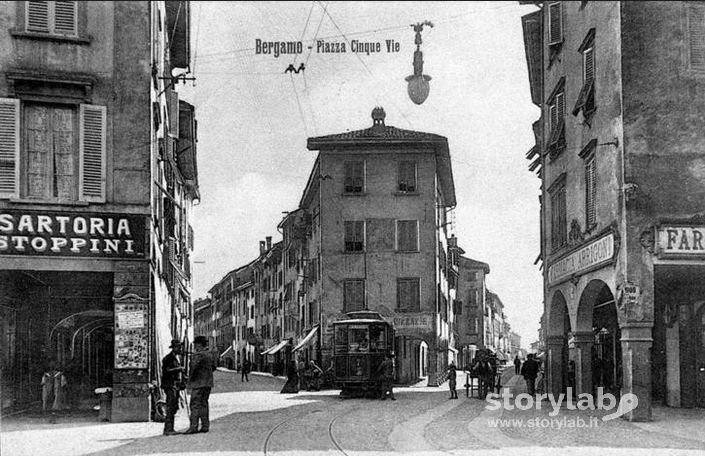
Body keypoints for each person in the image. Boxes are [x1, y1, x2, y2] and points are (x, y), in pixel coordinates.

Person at [185, 336, 216, 434]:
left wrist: (189, 380)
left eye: (195, 344)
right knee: (204, 404)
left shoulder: (198, 355)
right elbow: (214, 367)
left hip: (198, 384)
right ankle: (205, 426)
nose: (194, 346)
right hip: (208, 384)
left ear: (199, 344)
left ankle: (193, 427)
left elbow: (193, 368)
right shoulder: (210, 355)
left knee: (194, 405)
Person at [161, 339, 185, 436]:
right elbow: (167, 370)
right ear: (174, 348)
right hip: (170, 385)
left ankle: (171, 428)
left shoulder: (177, 358)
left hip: (175, 385)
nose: (180, 349)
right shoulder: (168, 358)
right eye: (178, 347)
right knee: (170, 407)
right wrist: (178, 369)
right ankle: (168, 429)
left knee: (174, 406)